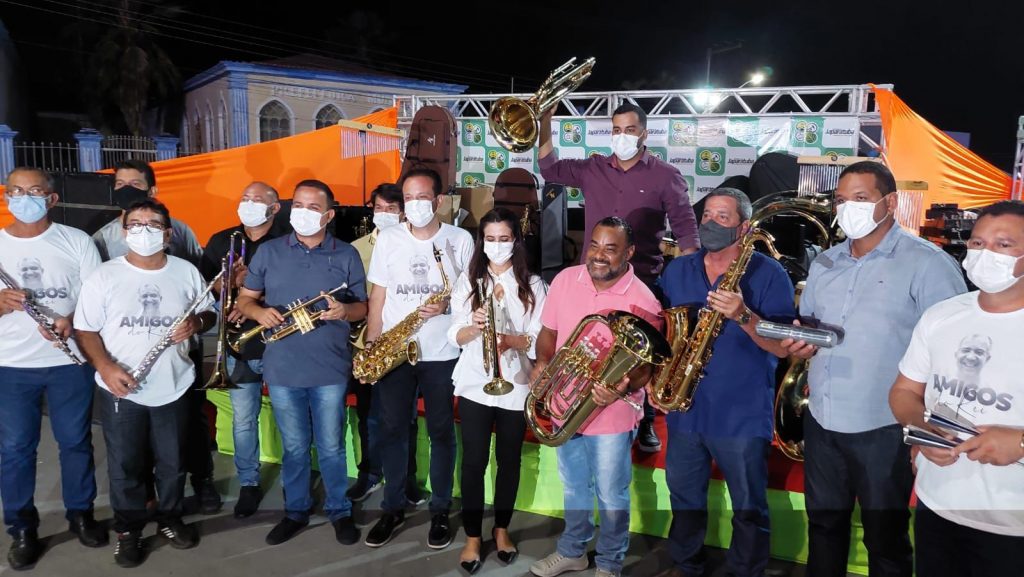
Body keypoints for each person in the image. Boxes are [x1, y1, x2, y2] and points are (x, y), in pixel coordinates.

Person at [783, 161, 967, 577]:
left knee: (885, 539)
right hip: (823, 419)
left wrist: (927, 428)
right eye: (841, 200)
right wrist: (799, 342)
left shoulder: (928, 264)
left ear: (891, 202)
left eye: (861, 199)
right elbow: (809, 328)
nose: (848, 208)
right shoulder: (825, 263)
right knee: (823, 528)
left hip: (885, 427)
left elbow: (950, 354)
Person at [538, 102, 700, 452]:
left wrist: (695, 284)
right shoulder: (593, 168)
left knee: (641, 358)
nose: (621, 136)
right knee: (589, 351)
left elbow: (687, 231)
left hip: (642, 286)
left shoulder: (666, 175)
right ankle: (573, 409)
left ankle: (645, 419)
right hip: (593, 280)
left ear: (644, 133)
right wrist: (545, 120)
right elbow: (548, 168)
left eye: (629, 130)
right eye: (615, 130)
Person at [654, 188, 795, 577]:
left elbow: (782, 346)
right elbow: (663, 331)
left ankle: (745, 570)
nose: (711, 223)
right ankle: (686, 565)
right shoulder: (678, 270)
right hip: (686, 408)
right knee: (684, 498)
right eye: (707, 215)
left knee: (748, 505)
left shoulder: (770, 274)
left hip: (741, 412)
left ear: (744, 227)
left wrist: (743, 314)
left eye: (723, 217)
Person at [74, 199, 216, 568]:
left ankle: (170, 517)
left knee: (173, 461)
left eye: (153, 224)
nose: (144, 230)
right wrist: (106, 367)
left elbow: (209, 313)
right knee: (126, 465)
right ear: (124, 232)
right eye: (135, 224)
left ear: (167, 235)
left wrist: (195, 324)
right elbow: (85, 330)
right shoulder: (104, 276)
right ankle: (129, 530)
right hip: (122, 388)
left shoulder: (185, 271)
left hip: (174, 384)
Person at [890, 200, 1024, 577]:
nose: (985, 253)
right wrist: (923, 430)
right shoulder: (942, 316)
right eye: (977, 243)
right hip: (938, 505)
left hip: (1012, 524)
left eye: (1003, 245)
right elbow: (903, 392)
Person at [234, 179, 366, 547]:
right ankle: (295, 511)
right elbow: (245, 299)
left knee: (331, 446)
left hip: (330, 368)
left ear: (329, 215)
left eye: (313, 207)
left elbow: (363, 307)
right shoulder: (269, 252)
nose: (303, 213)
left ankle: (339, 510)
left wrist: (345, 312)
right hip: (282, 369)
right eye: (298, 205)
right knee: (294, 447)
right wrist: (258, 313)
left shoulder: (346, 255)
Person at [529, 217, 662, 577]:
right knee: (574, 487)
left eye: (611, 248)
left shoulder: (643, 299)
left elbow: (646, 369)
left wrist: (621, 387)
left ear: (629, 253)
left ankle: (609, 563)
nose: (599, 255)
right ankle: (573, 551)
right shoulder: (565, 280)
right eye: (595, 245)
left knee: (610, 493)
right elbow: (548, 332)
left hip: (612, 414)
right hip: (564, 404)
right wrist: (542, 362)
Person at [92, 159, 220, 514]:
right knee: (132, 439)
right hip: (126, 353)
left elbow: (199, 283)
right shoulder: (101, 238)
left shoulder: (180, 230)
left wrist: (195, 322)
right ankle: (143, 498)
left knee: (187, 423)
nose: (126, 189)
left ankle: (202, 480)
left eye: (135, 183)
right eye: (120, 184)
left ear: (153, 189)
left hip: (179, 349)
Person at [0, 167, 106, 570]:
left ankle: (81, 514)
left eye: (34, 191)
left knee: (75, 441)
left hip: (68, 362)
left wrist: (70, 320)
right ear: (6, 196)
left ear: (52, 199)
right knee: (15, 449)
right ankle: (22, 527)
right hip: (10, 365)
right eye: (15, 191)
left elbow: (97, 298)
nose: (23, 198)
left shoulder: (76, 241)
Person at [362, 167, 474, 550]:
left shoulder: (460, 240)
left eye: (422, 197)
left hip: (442, 352)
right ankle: (392, 507)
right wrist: (374, 343)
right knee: (393, 430)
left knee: (441, 432)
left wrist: (448, 305)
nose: (414, 205)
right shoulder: (389, 239)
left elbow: (471, 296)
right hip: (396, 352)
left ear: (439, 201)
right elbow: (378, 295)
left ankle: (440, 509)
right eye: (408, 198)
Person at [448, 208, 547, 574]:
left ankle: (501, 529)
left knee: (509, 460)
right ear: (482, 241)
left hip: (515, 384)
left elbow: (540, 337)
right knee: (473, 462)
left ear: (516, 241)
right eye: (490, 238)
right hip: (476, 382)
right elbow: (454, 334)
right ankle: (473, 536)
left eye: (504, 238)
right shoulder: (468, 281)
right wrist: (475, 326)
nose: (497, 245)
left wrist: (511, 340)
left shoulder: (534, 285)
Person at [198, 181, 287, 518]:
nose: (248, 203)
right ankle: (248, 483)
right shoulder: (223, 240)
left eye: (257, 199)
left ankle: (294, 482)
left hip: (278, 344)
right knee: (244, 421)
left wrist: (251, 296)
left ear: (274, 208)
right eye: (245, 197)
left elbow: (295, 289)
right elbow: (203, 288)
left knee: (290, 418)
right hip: (238, 346)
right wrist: (227, 286)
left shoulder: (286, 242)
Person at [348, 182, 423, 505]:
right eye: (379, 208)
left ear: (403, 212)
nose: (384, 214)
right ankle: (369, 473)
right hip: (367, 345)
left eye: (391, 209)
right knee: (369, 415)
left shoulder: (417, 245)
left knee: (406, 417)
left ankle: (406, 478)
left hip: (405, 346)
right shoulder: (355, 249)